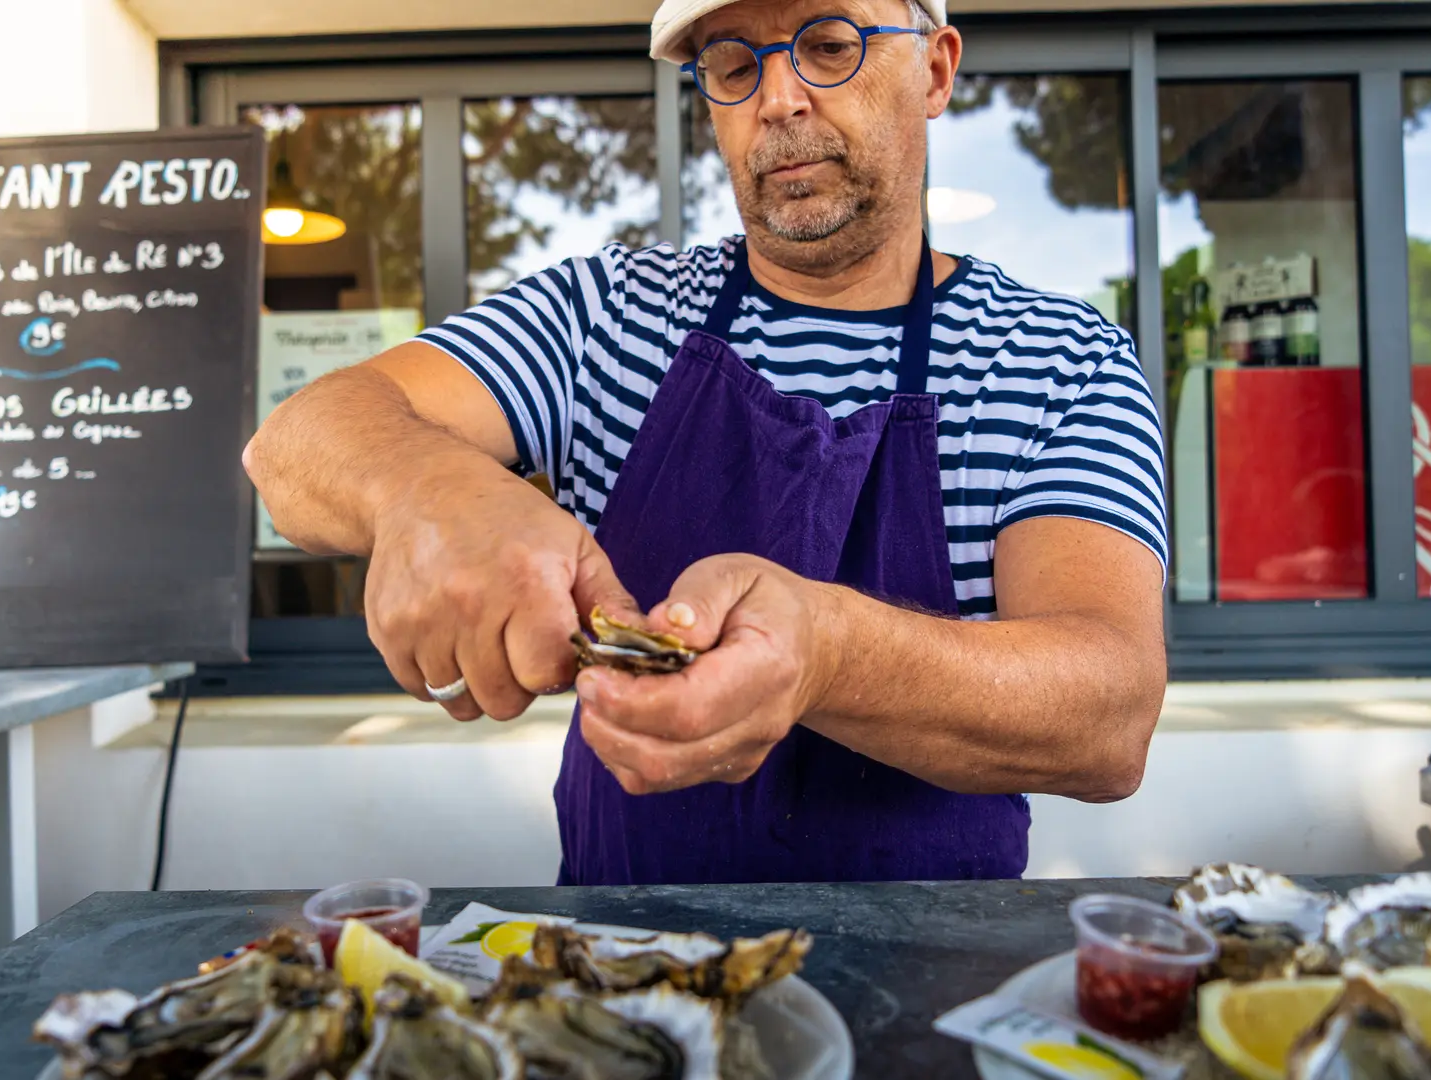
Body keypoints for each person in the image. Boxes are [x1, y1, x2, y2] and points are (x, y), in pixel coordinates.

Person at [244, 0, 1168, 886]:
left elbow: (1110, 711)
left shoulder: (1060, 359)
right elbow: (293, 443)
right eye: (732, 64)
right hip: (622, 975)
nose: (777, 98)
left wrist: (828, 652)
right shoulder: (607, 315)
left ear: (934, 70)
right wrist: (428, 486)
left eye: (830, 45)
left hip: (931, 983)